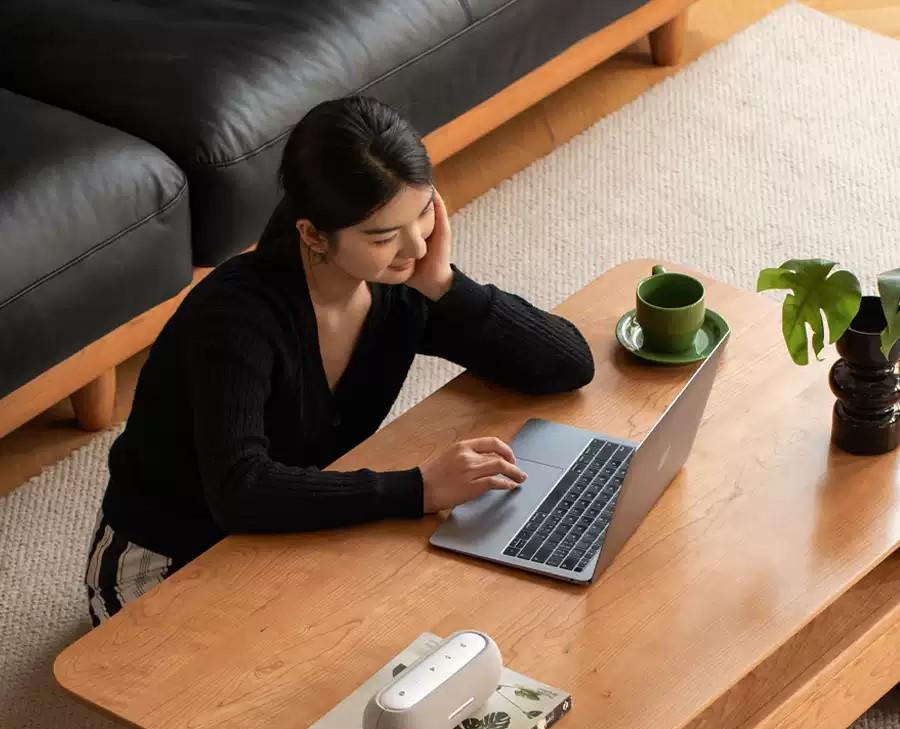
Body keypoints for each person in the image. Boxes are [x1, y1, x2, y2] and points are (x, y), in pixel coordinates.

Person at [84, 94, 595, 628]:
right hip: (164, 555)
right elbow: (240, 492)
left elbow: (566, 365)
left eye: (424, 213)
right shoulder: (236, 316)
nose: (417, 247)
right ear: (312, 234)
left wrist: (446, 286)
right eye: (383, 236)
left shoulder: (402, 285)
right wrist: (418, 487)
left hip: (292, 530)